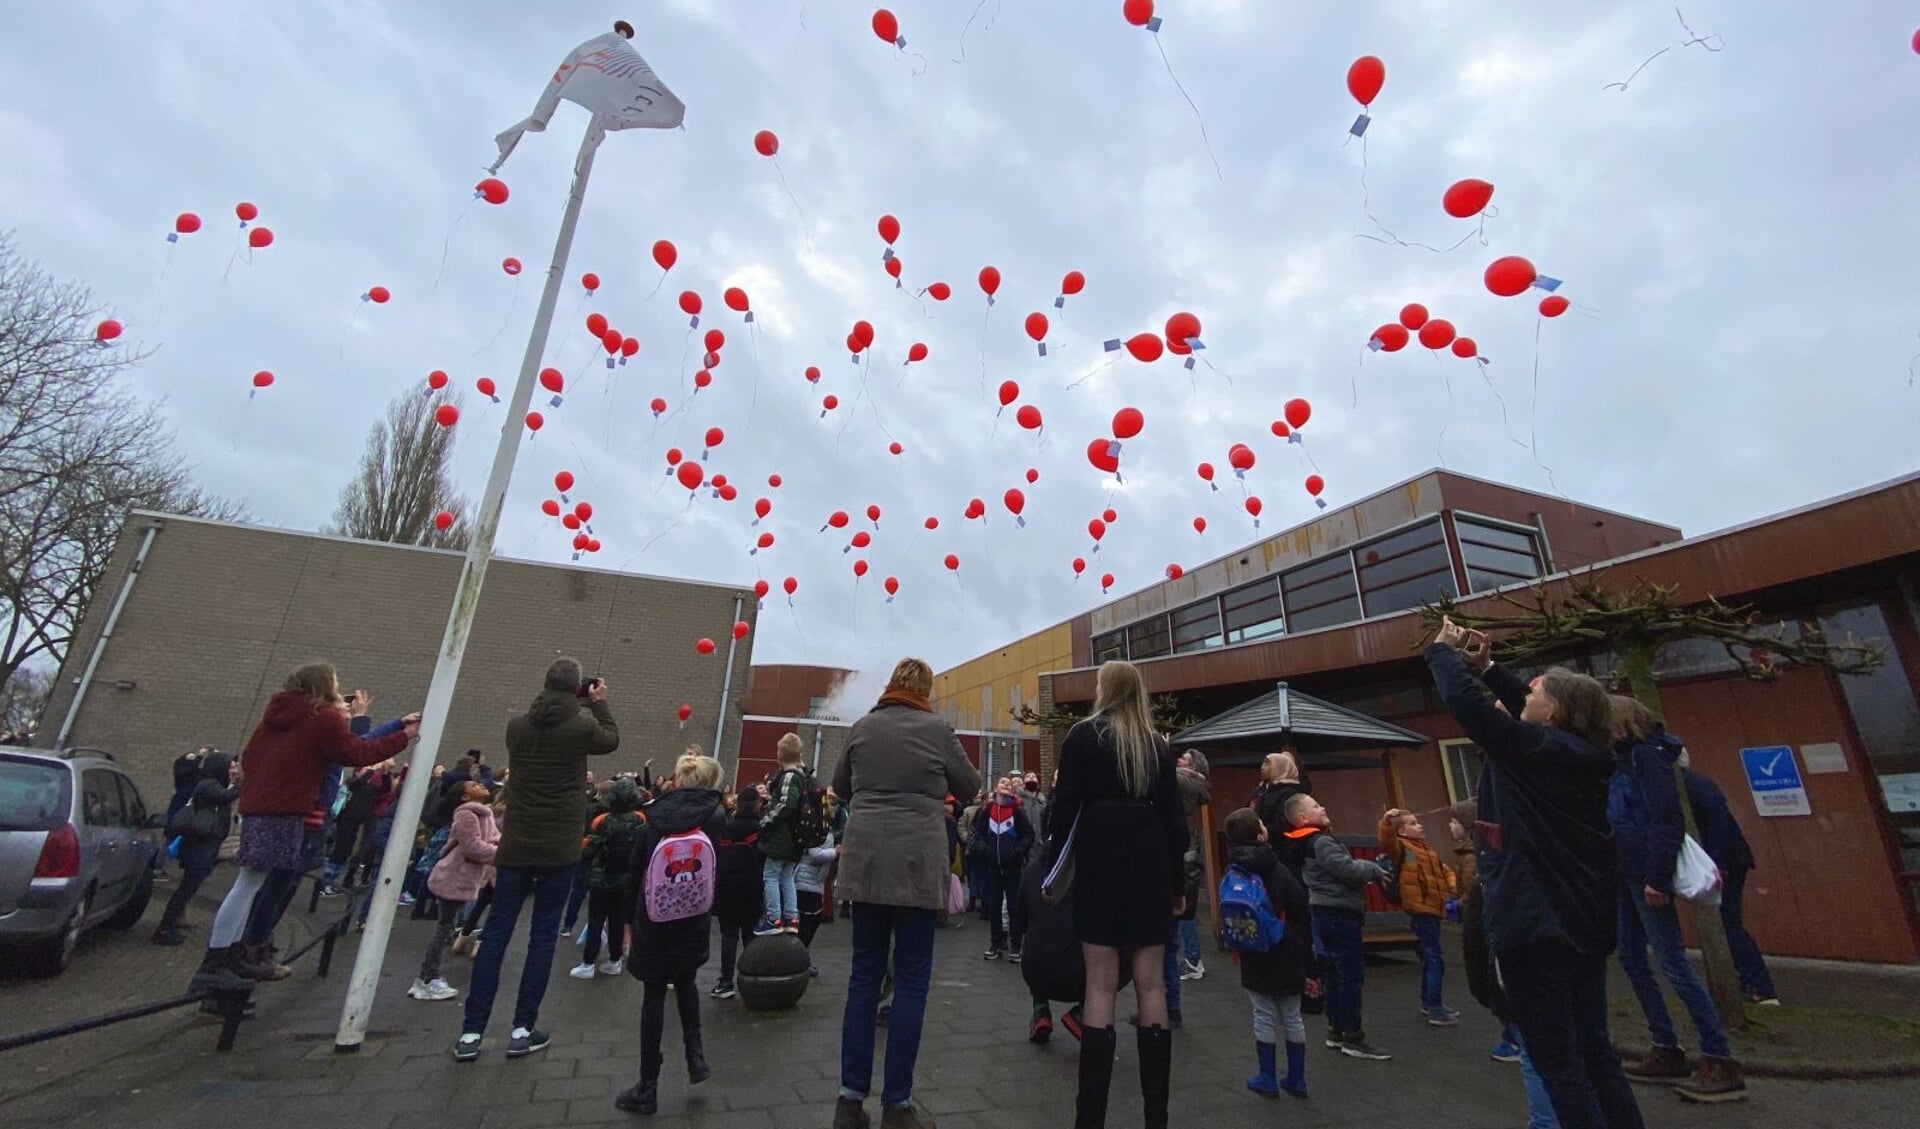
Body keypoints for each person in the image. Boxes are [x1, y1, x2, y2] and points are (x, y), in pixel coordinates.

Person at [1427, 620, 1644, 1129]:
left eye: (1538, 688)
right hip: (1580, 926)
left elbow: (1473, 712)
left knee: (1560, 1066)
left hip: (1535, 928)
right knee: (1595, 1053)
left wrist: (1442, 654)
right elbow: (1522, 705)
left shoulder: (1538, 753)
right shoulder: (1575, 754)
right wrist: (1489, 667)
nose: (1529, 691)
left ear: (1559, 711)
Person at [188, 666, 415, 993]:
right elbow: (356, 752)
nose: (340, 690)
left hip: (261, 808)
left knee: (251, 884)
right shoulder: (321, 719)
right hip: (286, 811)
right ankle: (218, 959)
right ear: (322, 686)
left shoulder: (275, 718)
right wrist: (404, 736)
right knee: (253, 885)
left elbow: (251, 757)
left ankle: (233, 954)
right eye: (335, 684)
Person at [830, 658, 980, 1129]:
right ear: (926, 689)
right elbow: (971, 786)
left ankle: (849, 1102)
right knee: (912, 982)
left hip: (867, 862)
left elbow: (839, 786)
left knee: (862, 977)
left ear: (891, 685)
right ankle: (897, 1106)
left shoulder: (863, 727)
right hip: (916, 865)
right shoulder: (937, 731)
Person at [453, 658, 619, 1063]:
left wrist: (572, 698)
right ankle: (523, 1027)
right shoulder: (581, 727)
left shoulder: (517, 727)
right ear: (576, 688)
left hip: (517, 844)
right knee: (542, 937)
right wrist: (597, 703)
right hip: (558, 846)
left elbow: (544, 717)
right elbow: (610, 738)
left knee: (496, 933)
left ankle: (471, 1032)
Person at [1048, 660, 1188, 1129]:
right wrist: (1176, 885)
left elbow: (1063, 806)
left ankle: (1090, 1117)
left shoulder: (1083, 736)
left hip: (1100, 851)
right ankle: (1156, 1117)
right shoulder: (1156, 745)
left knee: (1100, 983)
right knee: (1152, 983)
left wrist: (1052, 860)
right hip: (1149, 854)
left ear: (1105, 689)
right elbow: (1175, 822)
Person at [1608, 697, 1746, 1102]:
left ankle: (1719, 1056)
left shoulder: (1648, 759)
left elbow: (1666, 819)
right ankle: (1665, 1045)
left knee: (1672, 962)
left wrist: (1657, 876)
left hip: (1645, 873)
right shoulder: (1621, 761)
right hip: (1624, 871)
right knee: (1632, 959)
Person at [613, 754, 728, 1116]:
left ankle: (647, 1086)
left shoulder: (655, 816)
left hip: (655, 915)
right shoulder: (716, 817)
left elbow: (637, 870)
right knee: (687, 981)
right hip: (693, 913)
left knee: (653, 994)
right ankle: (695, 1057)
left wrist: (626, 922)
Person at [1451, 801, 1561, 1129]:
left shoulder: (1490, 877)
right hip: (1565, 958)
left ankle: (1544, 1123)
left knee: (1535, 1053)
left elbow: (1477, 943)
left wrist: (1487, 991)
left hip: (1521, 968)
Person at [1285, 792, 1389, 1060]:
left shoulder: (1304, 843)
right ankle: (1353, 1034)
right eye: (1316, 806)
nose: (1323, 806)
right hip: (1338, 910)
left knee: (1332, 970)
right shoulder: (1321, 841)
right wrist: (1373, 869)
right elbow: (1349, 871)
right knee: (1349, 973)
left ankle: (1336, 1029)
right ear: (1303, 817)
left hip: (1321, 909)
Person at [1220, 808, 1312, 1100]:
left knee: (1263, 1014)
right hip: (1284, 947)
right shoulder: (1276, 867)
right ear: (1261, 834)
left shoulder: (1232, 869)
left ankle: (1266, 1076)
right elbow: (1299, 904)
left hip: (1252, 950)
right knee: (1292, 1016)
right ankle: (1296, 1078)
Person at [1677, 748, 1775, 1005]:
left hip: (1723, 862)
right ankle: (1745, 982)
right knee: (1724, 923)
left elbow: (1717, 820)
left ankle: (1758, 986)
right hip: (1721, 861)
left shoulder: (1692, 785)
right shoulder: (1693, 784)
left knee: (1727, 923)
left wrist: (1716, 862)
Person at [414, 779, 500, 1002]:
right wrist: (503, 853)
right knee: (444, 928)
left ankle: (428, 976)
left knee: (447, 927)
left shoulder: (485, 814)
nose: (480, 784)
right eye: (472, 784)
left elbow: (492, 840)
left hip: (467, 879)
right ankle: (427, 978)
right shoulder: (466, 814)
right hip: (454, 876)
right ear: (464, 796)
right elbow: (472, 847)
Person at [1378, 806, 1460, 1026]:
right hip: (1420, 908)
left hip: (1432, 907)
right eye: (1413, 823)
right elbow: (1387, 839)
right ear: (1402, 832)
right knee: (1434, 958)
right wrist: (1387, 821)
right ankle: (1434, 1007)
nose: (1419, 825)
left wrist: (1453, 887)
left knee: (1429, 957)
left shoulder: (1426, 850)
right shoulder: (1402, 849)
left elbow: (1445, 871)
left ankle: (1429, 1002)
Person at [153, 752, 240, 945]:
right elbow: (225, 797)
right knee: (186, 888)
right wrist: (241, 784)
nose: (235, 770)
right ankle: (164, 928)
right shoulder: (208, 785)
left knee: (189, 887)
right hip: (199, 847)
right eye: (231, 766)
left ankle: (172, 923)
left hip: (207, 847)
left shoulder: (216, 785)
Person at [572, 778, 646, 979]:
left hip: (602, 878)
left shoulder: (603, 820)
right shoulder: (641, 820)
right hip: (627, 879)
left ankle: (588, 963)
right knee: (618, 920)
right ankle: (615, 961)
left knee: (596, 920)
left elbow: (589, 849)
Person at [971, 776, 1035, 962]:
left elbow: (1028, 835)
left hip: (1012, 867)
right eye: (1002, 782)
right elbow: (978, 834)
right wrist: (986, 850)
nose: (1006, 785)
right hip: (992, 867)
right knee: (994, 906)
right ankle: (996, 944)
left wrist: (1018, 851)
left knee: (1014, 907)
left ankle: (1016, 946)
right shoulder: (987, 811)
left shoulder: (1017, 812)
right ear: (996, 788)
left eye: (1009, 783)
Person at [710, 788, 764, 999]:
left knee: (728, 937)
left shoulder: (727, 828)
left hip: (727, 889)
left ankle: (725, 982)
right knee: (750, 936)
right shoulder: (759, 829)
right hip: (751, 889)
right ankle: (752, 978)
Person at [756, 733, 810, 936]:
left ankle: (773, 917)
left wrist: (767, 820)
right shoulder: (803, 776)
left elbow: (787, 802)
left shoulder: (789, 776)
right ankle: (791, 916)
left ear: (780, 754)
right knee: (787, 876)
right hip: (795, 839)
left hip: (781, 837)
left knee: (770, 875)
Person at [1173, 750, 1211, 981]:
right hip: (1186, 849)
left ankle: (1193, 959)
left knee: (1185, 910)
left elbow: (1162, 772)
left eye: (1184, 758)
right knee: (1183, 908)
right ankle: (1190, 958)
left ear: (1194, 766)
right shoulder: (1194, 784)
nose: (1179, 760)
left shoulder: (1187, 782)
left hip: (1183, 851)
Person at [1250, 749, 1310, 857]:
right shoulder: (1261, 790)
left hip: (1280, 852)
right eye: (1263, 763)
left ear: (1279, 767)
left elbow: (1285, 825)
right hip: (1261, 848)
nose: (1262, 767)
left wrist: (1263, 831)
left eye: (1268, 764)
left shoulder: (1288, 793)